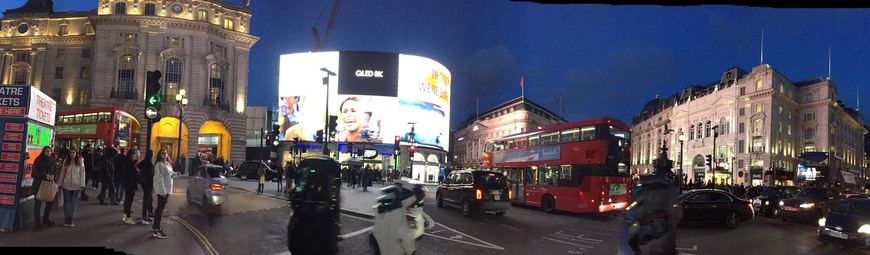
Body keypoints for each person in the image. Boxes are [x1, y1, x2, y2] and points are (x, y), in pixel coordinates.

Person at [152, 148, 178, 239]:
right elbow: (160, 178)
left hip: (167, 189)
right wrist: (163, 191)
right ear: (159, 154)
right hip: (163, 190)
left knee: (160, 208)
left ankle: (156, 226)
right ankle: (156, 229)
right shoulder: (159, 164)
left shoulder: (166, 163)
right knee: (160, 208)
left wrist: (175, 174)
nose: (165, 154)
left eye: (166, 153)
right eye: (163, 153)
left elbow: (169, 174)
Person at [31, 146, 57, 231]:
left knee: (49, 203)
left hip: (48, 185)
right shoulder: (38, 161)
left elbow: (54, 171)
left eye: (50, 151)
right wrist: (44, 175)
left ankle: (46, 219)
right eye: (47, 151)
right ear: (43, 152)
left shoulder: (52, 161)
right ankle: (38, 224)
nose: (48, 153)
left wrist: (53, 175)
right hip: (39, 185)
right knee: (37, 205)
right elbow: (34, 174)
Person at [60, 148, 86, 227]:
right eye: (71, 152)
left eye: (73, 152)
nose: (72, 154)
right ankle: (66, 218)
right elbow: (62, 173)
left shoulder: (80, 161)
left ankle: (71, 219)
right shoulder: (66, 161)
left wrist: (82, 184)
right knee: (67, 202)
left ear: (76, 153)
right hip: (66, 185)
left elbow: (82, 173)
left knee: (73, 202)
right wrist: (59, 184)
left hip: (76, 185)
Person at [121, 147, 140, 225]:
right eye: (134, 155)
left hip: (126, 183)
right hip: (130, 184)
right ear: (132, 155)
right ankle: (128, 217)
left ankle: (125, 215)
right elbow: (132, 174)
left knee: (127, 199)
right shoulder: (130, 163)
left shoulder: (127, 161)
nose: (135, 156)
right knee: (129, 200)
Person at [138, 150, 155, 224]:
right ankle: (144, 216)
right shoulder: (149, 162)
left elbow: (139, 165)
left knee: (149, 198)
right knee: (147, 199)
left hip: (144, 182)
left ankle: (149, 212)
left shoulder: (145, 161)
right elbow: (150, 174)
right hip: (148, 183)